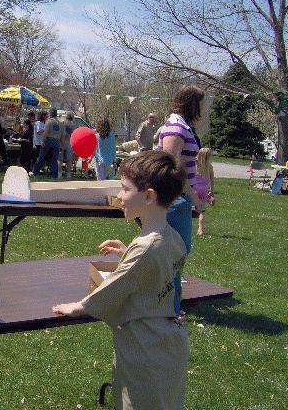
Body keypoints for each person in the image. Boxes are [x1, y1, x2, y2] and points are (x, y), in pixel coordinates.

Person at [53, 151, 189, 410]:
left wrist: (79, 307)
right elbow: (154, 272)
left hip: (144, 349)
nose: (119, 196)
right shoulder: (170, 238)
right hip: (167, 345)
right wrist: (127, 252)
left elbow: (117, 287)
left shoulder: (147, 248)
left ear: (149, 196)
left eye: (125, 189)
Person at [157, 84, 205, 314]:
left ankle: (170, 305)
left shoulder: (182, 125)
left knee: (175, 255)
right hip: (174, 199)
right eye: (199, 103)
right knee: (174, 255)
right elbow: (171, 165)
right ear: (191, 103)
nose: (202, 109)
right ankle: (170, 309)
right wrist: (194, 196)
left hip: (178, 199)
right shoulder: (176, 126)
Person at [32, 108, 62, 178]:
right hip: (57, 141)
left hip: (49, 140)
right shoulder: (60, 122)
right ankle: (54, 175)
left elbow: (46, 131)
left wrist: (43, 140)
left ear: (50, 114)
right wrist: (61, 144)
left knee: (41, 156)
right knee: (54, 159)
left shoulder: (49, 121)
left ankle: (35, 172)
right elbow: (62, 134)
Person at [194, 147, 215, 235]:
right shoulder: (209, 166)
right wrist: (212, 192)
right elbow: (212, 180)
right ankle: (200, 229)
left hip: (194, 190)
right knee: (201, 211)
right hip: (204, 191)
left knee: (190, 209)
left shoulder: (195, 164)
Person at [59, 113, 76, 178]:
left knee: (60, 159)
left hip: (61, 142)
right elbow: (73, 135)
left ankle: (59, 174)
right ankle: (68, 175)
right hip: (69, 142)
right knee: (69, 160)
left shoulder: (62, 123)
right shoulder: (73, 125)